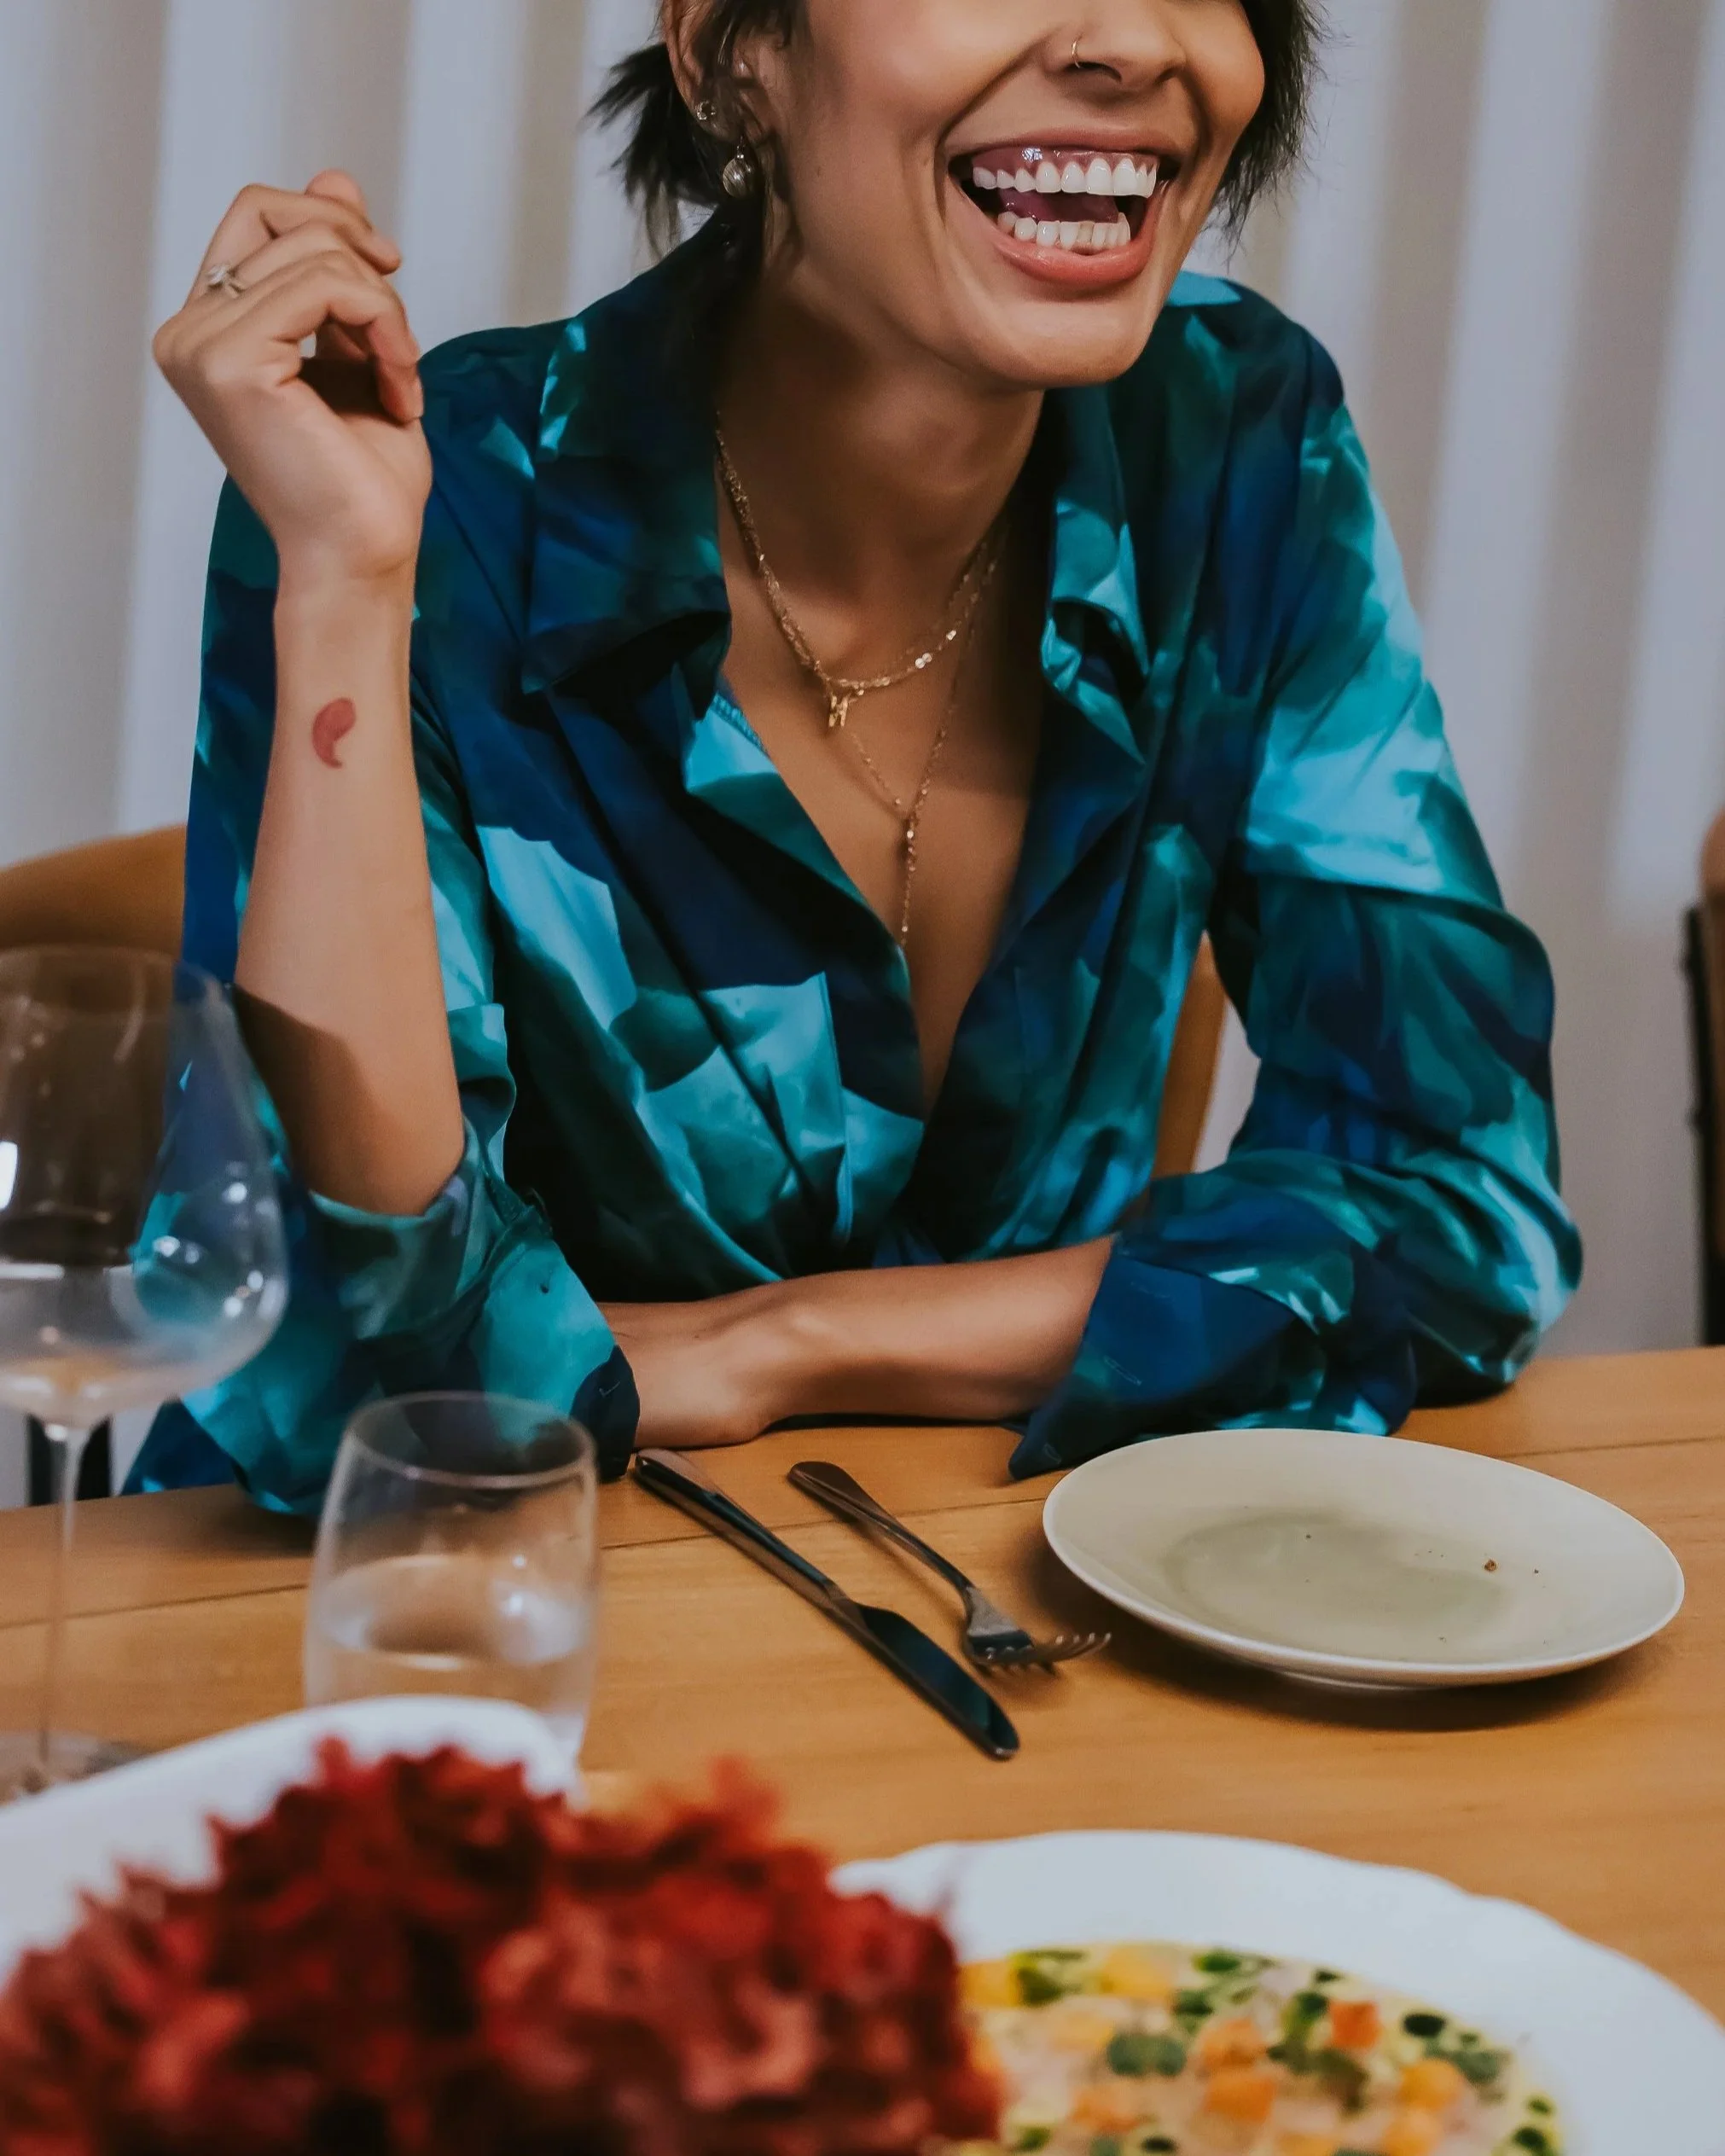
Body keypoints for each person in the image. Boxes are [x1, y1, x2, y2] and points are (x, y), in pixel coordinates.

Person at [138, 0, 1579, 1510]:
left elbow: (1463, 1203)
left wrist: (780, 1344)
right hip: (411, 1608)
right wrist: (345, 580)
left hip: (974, 1589)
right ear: (727, 48)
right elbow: (345, 1385)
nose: (1131, 41)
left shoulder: (1236, 441)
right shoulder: (414, 497)